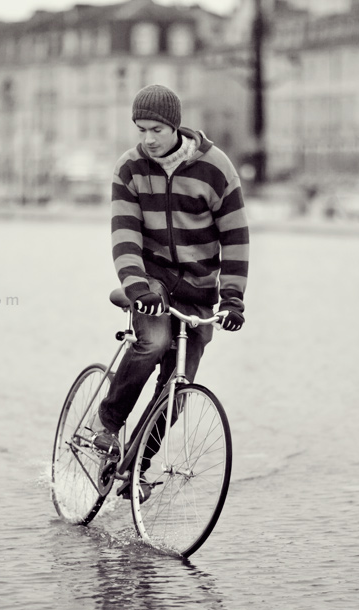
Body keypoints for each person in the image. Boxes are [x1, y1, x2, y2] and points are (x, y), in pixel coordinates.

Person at [92, 84, 249, 498]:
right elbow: (124, 235)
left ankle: (133, 471)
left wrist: (232, 298)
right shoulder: (129, 169)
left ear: (175, 126)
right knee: (154, 341)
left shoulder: (215, 168)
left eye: (156, 129)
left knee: (176, 394)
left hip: (199, 289)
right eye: (140, 129)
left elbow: (235, 237)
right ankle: (106, 425)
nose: (147, 139)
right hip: (152, 283)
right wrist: (138, 285)